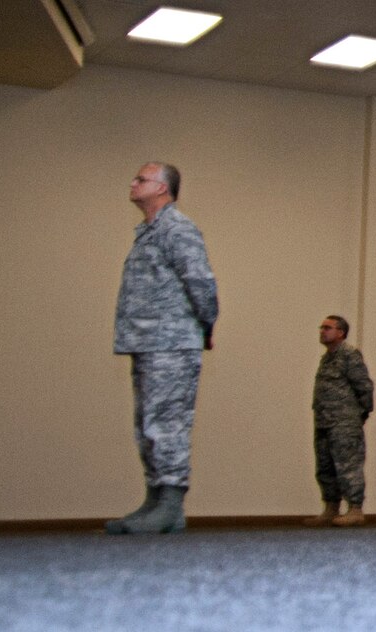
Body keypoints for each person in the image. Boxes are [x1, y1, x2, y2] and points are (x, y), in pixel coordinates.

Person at [109, 161, 218, 536]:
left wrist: (205, 325)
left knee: (167, 424)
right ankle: (154, 501)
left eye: (141, 178)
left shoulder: (177, 228)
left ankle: (170, 505)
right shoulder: (148, 231)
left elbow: (201, 281)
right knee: (147, 425)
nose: (133, 182)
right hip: (148, 342)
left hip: (171, 342)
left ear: (162, 189)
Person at [306, 315, 374, 527]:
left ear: (340, 333)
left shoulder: (349, 355)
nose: (322, 331)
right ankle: (331, 508)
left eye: (328, 328)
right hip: (324, 421)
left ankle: (355, 509)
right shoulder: (327, 358)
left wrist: (358, 415)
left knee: (348, 466)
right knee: (325, 467)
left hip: (344, 422)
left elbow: (364, 387)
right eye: (322, 327)